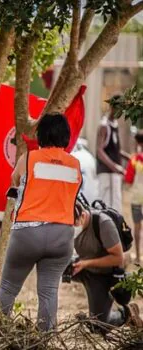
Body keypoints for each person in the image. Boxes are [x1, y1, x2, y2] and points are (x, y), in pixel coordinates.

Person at [0, 113, 82, 331]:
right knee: (48, 291)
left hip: (28, 233)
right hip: (62, 236)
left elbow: (14, 180)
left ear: (42, 134)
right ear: (66, 136)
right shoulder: (75, 165)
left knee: (8, 288)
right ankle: (45, 341)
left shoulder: (30, 158)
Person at [72, 202, 143, 333]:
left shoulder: (103, 223)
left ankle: (126, 313)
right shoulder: (68, 227)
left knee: (99, 326)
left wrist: (86, 263)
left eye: (74, 224)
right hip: (85, 269)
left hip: (105, 273)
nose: (72, 228)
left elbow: (118, 258)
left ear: (82, 216)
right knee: (61, 267)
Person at [96, 97, 124, 212]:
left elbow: (115, 150)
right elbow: (99, 151)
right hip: (108, 174)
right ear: (112, 107)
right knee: (110, 208)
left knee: (115, 206)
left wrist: (129, 157)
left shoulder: (115, 124)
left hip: (113, 175)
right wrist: (115, 167)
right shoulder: (104, 125)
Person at [125, 132, 143, 263]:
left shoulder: (134, 160)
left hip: (137, 197)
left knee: (137, 226)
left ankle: (137, 255)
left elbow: (128, 180)